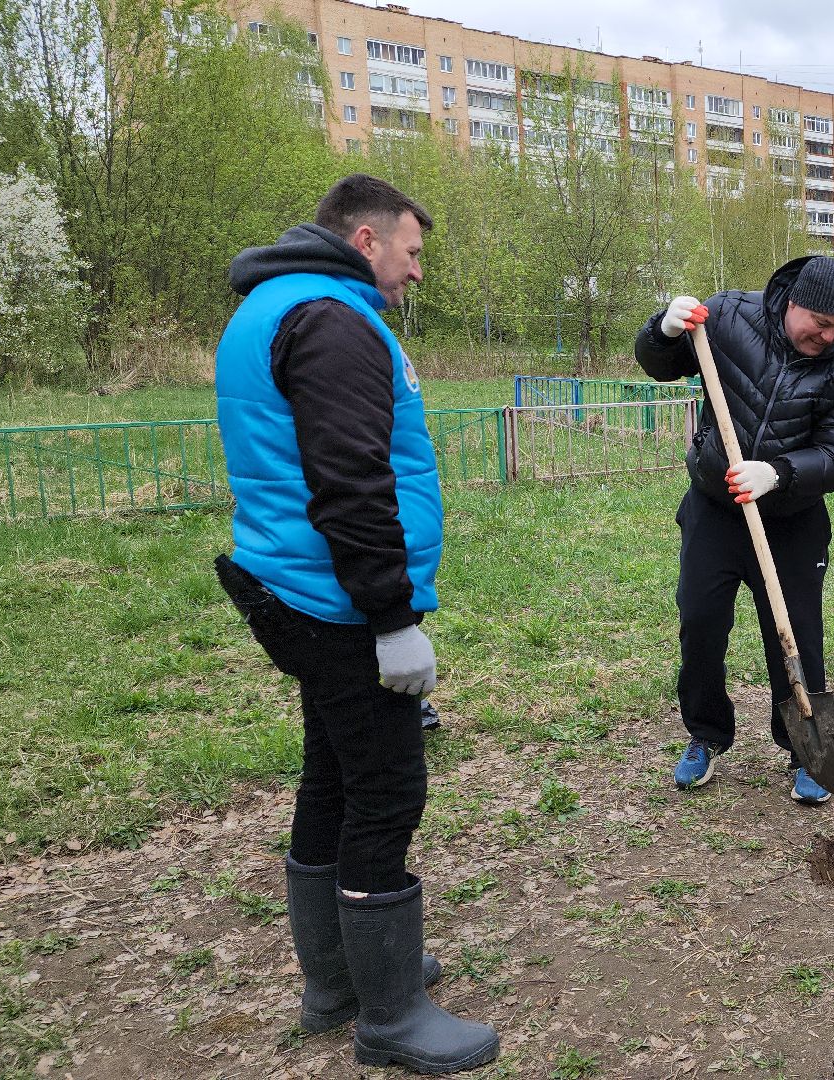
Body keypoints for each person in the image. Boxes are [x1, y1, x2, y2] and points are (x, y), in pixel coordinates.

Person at [212, 174, 498, 1074]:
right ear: (367, 241)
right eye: (411, 252)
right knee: (384, 790)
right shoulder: (333, 321)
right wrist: (392, 616)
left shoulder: (278, 304)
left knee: (330, 777)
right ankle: (390, 1017)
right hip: (337, 601)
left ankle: (338, 981)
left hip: (295, 586)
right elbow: (352, 482)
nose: (416, 273)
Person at [635, 256, 834, 805]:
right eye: (820, 322)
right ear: (792, 301)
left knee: (794, 636)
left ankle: (803, 748)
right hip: (715, 510)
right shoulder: (727, 317)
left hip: (792, 519)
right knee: (700, 621)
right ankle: (706, 734)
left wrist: (779, 473)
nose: (828, 335)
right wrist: (663, 329)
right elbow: (660, 363)